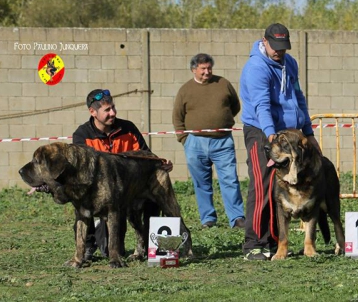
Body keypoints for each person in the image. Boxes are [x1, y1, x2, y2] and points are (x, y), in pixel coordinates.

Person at [239, 23, 321, 260]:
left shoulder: (290, 63)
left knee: (280, 187)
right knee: (262, 184)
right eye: (275, 47)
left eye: (283, 47)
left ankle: (275, 242)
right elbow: (261, 105)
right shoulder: (256, 68)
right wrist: (271, 136)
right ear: (263, 41)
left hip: (289, 134)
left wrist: (308, 132)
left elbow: (298, 97)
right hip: (261, 132)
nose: (279, 52)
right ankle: (254, 244)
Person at [73, 89, 173, 260]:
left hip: (132, 188)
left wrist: (160, 163)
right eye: (107, 110)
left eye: (113, 108)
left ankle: (157, 249)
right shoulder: (82, 136)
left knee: (154, 200)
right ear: (93, 112)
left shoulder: (128, 128)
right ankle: (90, 245)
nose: (113, 113)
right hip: (103, 196)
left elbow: (145, 156)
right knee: (110, 251)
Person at [172, 53, 245, 229]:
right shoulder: (185, 90)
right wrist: (185, 139)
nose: (207, 72)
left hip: (222, 141)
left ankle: (236, 218)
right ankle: (208, 219)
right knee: (202, 183)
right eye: (203, 69)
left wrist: (222, 121)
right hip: (195, 143)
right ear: (194, 70)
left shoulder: (223, 84)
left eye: (209, 68)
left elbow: (235, 106)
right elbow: (177, 116)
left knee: (230, 180)